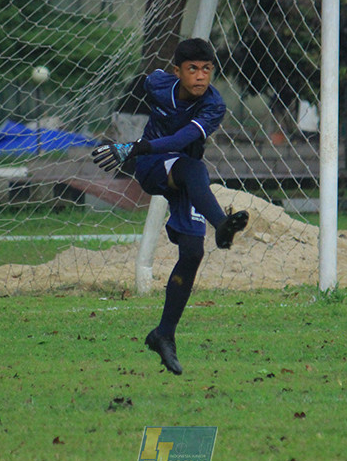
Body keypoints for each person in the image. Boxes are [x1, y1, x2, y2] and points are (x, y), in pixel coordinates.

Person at [91, 38, 249, 375]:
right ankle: (221, 223)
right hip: (152, 168)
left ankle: (163, 334)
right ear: (177, 71)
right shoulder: (159, 83)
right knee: (196, 169)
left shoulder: (213, 105)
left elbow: (181, 141)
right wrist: (120, 135)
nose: (201, 76)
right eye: (192, 69)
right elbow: (139, 87)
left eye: (207, 69)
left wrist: (131, 146)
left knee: (192, 253)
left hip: (181, 176)